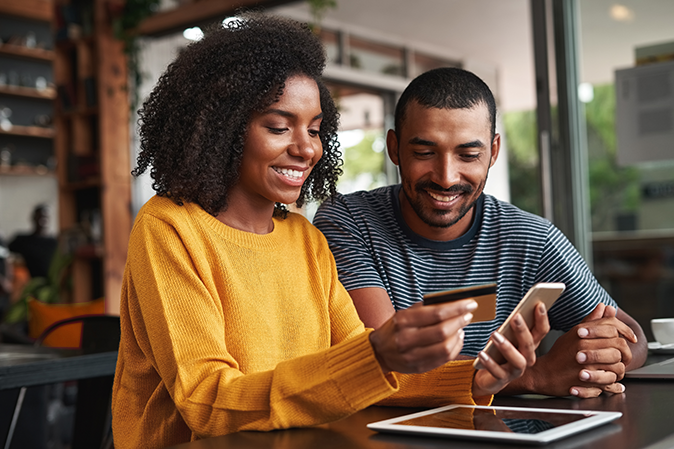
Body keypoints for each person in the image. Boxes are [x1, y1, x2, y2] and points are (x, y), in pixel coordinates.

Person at [111, 16, 550, 449]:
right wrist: (376, 356)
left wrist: (474, 376)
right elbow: (207, 403)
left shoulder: (304, 238)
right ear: (223, 129)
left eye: (316, 130)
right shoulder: (170, 227)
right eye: (280, 127)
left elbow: (363, 371)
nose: (306, 148)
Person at [313, 67, 647, 399]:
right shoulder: (349, 222)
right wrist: (536, 376)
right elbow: (382, 365)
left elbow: (632, 337)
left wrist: (596, 357)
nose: (446, 177)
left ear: (494, 152)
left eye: (469, 155)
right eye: (424, 152)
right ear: (395, 148)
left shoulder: (530, 239)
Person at [8, 204, 58, 279]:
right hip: (30, 283)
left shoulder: (55, 242)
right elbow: (5, 253)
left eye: (45, 217)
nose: (42, 220)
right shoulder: (22, 240)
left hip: (51, 283)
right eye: (39, 216)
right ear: (34, 218)